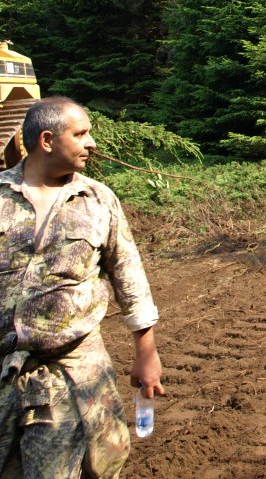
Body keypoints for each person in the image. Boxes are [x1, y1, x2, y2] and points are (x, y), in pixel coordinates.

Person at [0, 96, 163, 478]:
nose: (91, 143)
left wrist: (147, 351)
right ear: (47, 141)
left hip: (72, 368)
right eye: (81, 134)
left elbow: (129, 276)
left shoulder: (97, 200)